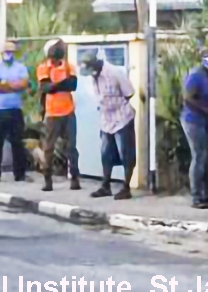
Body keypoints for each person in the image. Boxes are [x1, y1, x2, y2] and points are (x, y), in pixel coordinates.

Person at [85, 53, 136, 199]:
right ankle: (105, 185)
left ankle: (126, 187)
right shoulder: (93, 77)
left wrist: (116, 104)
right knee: (106, 154)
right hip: (106, 120)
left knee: (126, 153)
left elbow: (129, 93)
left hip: (122, 117)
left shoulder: (115, 72)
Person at [36, 39, 80, 192]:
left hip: (68, 112)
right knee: (49, 148)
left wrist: (55, 85)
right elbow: (46, 88)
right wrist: (62, 83)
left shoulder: (69, 66)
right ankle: (47, 180)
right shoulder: (43, 68)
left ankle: (75, 177)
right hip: (52, 113)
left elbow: (73, 85)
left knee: (71, 147)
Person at [182, 50, 208, 208]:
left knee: (207, 157)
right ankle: (196, 196)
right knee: (199, 156)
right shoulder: (196, 75)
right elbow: (188, 98)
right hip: (193, 120)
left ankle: (207, 194)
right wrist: (207, 111)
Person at [0, 40, 29, 183]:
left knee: (17, 142)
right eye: (6, 52)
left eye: (11, 52)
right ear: (2, 53)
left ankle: (20, 174)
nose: (8, 54)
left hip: (15, 109)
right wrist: (12, 85)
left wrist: (4, 83)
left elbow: (23, 84)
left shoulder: (21, 68)